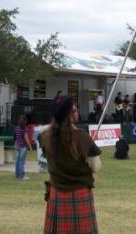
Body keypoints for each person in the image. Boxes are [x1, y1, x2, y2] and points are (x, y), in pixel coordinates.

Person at [41, 96, 101, 233]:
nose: (77, 112)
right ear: (71, 114)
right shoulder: (82, 137)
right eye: (75, 109)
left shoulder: (45, 137)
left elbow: (48, 159)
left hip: (56, 193)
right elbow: (96, 167)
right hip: (79, 193)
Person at [15, 115, 33, 180]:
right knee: (21, 162)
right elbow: (26, 138)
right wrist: (30, 146)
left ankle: (17, 175)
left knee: (17, 161)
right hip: (23, 147)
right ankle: (21, 176)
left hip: (17, 145)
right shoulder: (24, 129)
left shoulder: (16, 128)